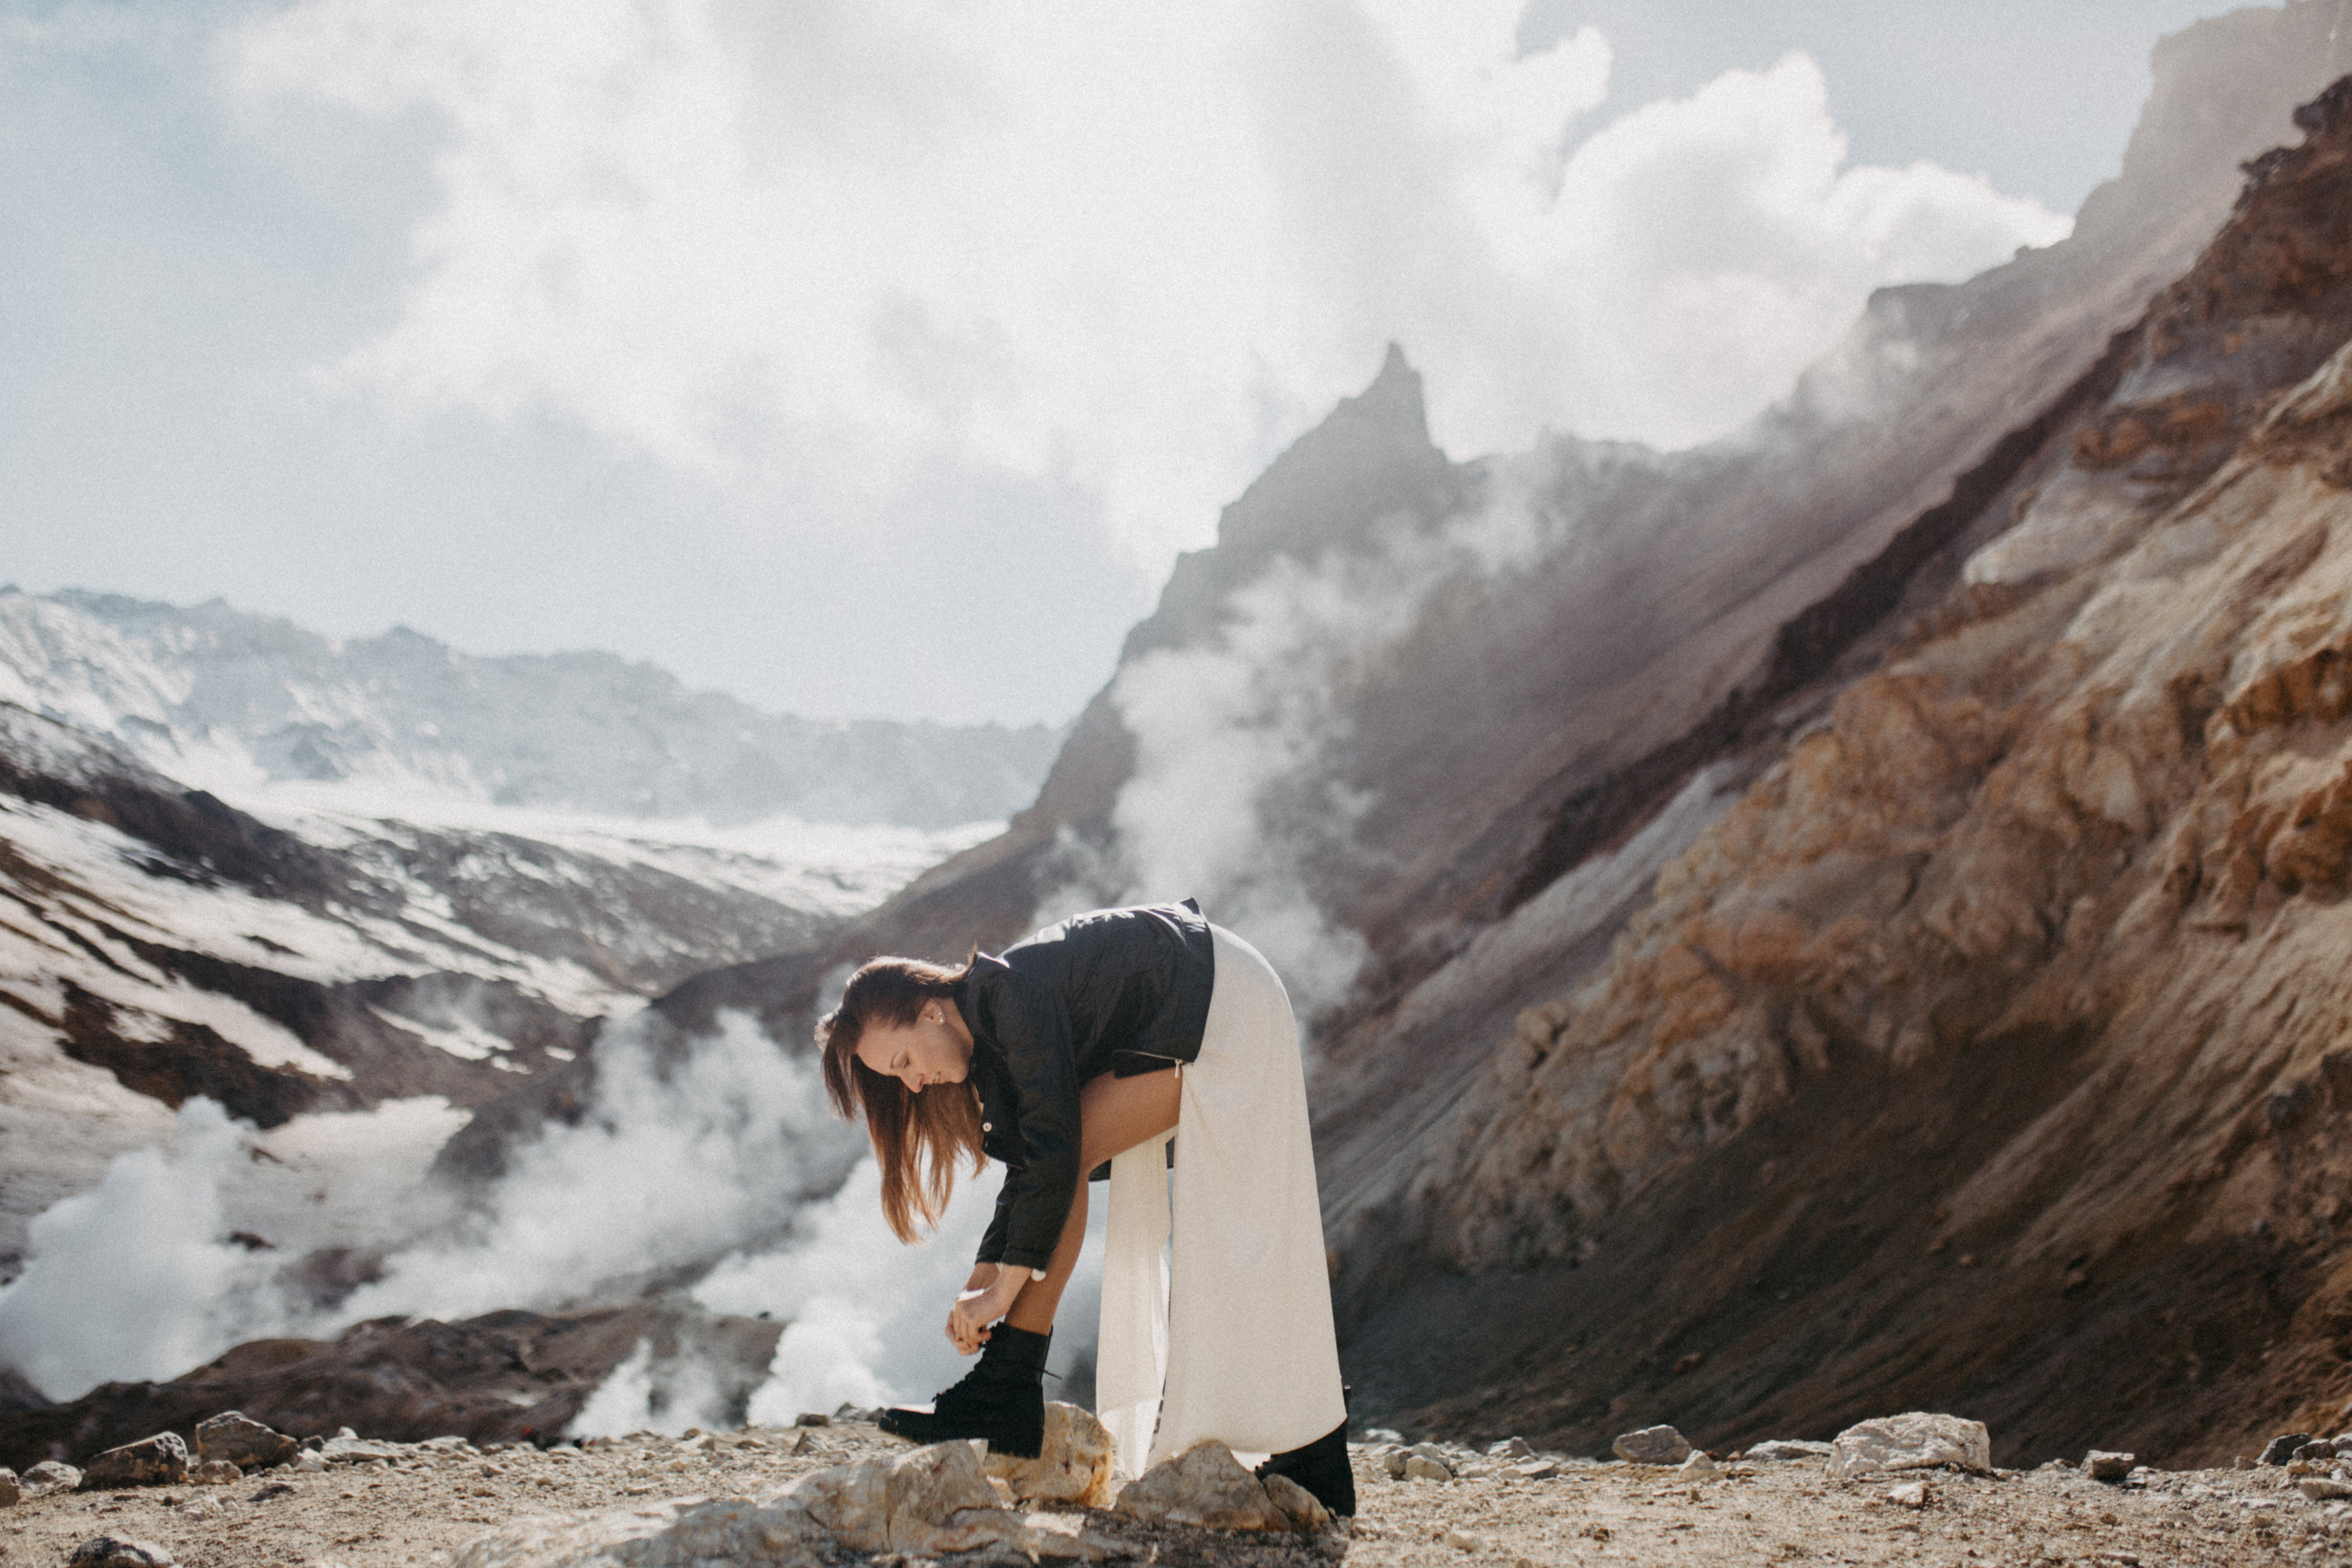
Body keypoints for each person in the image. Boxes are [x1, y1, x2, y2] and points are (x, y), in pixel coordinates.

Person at [816, 898, 1354, 1516]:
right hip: (1199, 1000)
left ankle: (1008, 1386)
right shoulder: (989, 1038)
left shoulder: (1009, 996)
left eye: (905, 1059)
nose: (912, 1083)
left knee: (1078, 1153)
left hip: (1226, 1003)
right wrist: (988, 1271)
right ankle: (1317, 1449)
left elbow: (1053, 1151)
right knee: (1208, 1222)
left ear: (931, 1008)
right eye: (897, 1076)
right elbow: (1028, 1168)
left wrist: (1005, 1288)